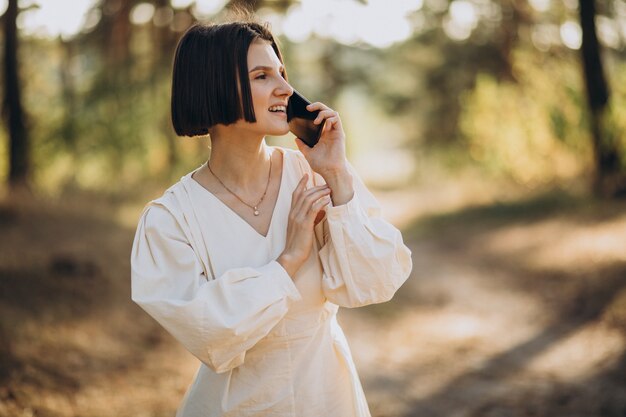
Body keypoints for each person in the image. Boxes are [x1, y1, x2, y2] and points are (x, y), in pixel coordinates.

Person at [130, 18, 412, 417]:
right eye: (262, 76)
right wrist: (289, 258)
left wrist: (337, 172)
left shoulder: (315, 176)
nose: (285, 89)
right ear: (214, 86)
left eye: (282, 73)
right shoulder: (170, 220)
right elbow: (213, 337)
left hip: (329, 399)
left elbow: (375, 281)